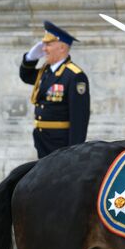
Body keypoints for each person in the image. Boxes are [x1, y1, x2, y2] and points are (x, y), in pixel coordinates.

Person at [19, 21, 90, 158]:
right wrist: (29, 59)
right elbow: (26, 76)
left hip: (60, 143)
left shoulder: (74, 75)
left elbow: (79, 118)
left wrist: (74, 151)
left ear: (62, 47)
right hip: (42, 138)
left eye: (48, 44)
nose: (44, 49)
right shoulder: (46, 72)